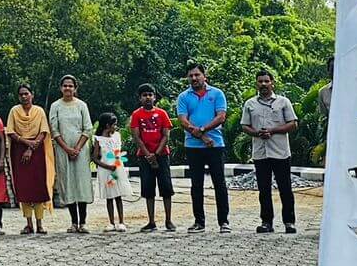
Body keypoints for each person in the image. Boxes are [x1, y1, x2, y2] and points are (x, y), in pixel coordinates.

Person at [241, 68, 299, 234]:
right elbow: (245, 126)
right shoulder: (250, 104)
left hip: (280, 152)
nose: (264, 84)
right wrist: (257, 133)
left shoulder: (283, 102)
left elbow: (293, 123)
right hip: (260, 153)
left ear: (273, 83)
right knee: (264, 189)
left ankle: (289, 222)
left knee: (285, 188)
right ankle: (266, 222)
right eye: (260, 81)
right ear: (256, 83)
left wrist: (273, 130)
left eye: (267, 81)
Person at [176, 62, 229, 231]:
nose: (194, 78)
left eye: (197, 75)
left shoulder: (217, 93)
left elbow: (221, 117)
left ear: (204, 76)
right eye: (191, 75)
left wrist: (204, 130)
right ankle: (199, 221)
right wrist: (201, 136)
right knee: (196, 185)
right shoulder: (184, 97)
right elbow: (183, 121)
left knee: (219, 183)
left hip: (215, 145)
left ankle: (224, 222)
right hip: (193, 147)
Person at [48, 75, 93, 233]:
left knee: (81, 184)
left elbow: (88, 128)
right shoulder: (56, 106)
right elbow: (54, 130)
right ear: (61, 88)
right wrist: (67, 148)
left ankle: (83, 222)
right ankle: (74, 222)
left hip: (80, 150)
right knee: (68, 184)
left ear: (75, 88)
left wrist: (77, 148)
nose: (68, 88)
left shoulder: (82, 105)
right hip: (62, 149)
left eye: (70, 86)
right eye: (65, 86)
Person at [6, 83, 53, 234]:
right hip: (19, 149)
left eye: (26, 94)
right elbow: (11, 132)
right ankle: (29, 224)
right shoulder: (14, 111)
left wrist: (31, 148)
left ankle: (40, 224)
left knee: (38, 186)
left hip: (37, 150)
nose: (24, 97)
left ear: (32, 95)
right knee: (24, 187)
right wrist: (26, 144)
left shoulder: (39, 111)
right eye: (21, 94)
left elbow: (44, 131)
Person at [128, 84, 175, 232]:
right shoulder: (136, 115)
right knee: (148, 189)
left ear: (155, 97)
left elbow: (166, 135)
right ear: (140, 98)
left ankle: (168, 220)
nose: (148, 97)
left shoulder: (162, 113)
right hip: (144, 156)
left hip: (162, 155)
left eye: (150, 94)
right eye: (144, 95)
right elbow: (136, 137)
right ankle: (151, 221)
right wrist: (148, 155)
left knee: (166, 188)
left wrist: (156, 153)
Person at [92, 112, 130, 232]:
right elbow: (95, 158)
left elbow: (118, 151)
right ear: (107, 125)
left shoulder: (117, 136)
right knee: (109, 196)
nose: (116, 127)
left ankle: (121, 221)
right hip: (106, 170)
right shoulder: (98, 139)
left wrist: (116, 164)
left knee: (118, 195)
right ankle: (111, 222)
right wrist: (107, 166)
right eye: (114, 124)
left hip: (117, 168)